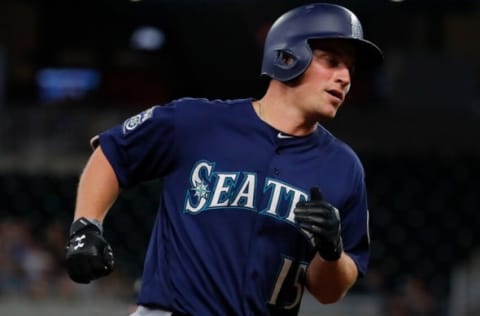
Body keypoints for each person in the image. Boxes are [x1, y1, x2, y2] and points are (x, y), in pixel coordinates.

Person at [65, 3, 383, 316]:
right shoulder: (197, 121)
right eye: (332, 61)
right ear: (287, 56)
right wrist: (86, 226)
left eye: (350, 69)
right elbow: (113, 153)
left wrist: (331, 252)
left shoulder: (344, 167)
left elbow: (329, 292)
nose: (345, 78)